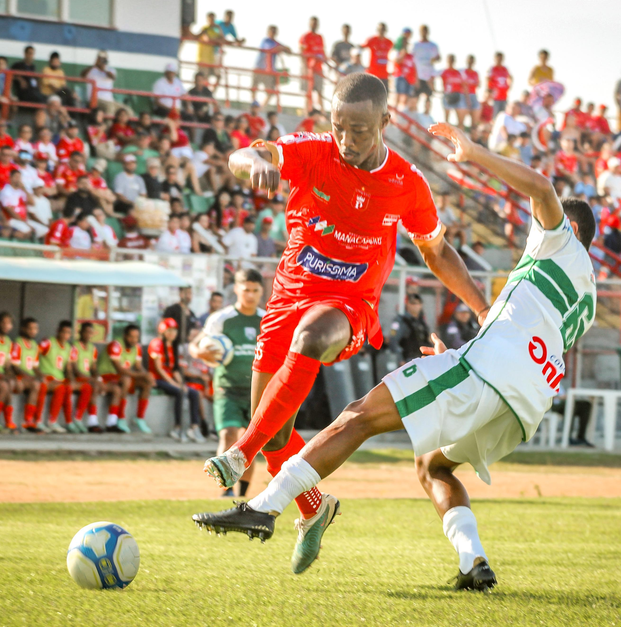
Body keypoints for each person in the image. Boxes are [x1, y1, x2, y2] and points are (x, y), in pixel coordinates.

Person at [192, 120, 598, 590]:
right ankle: (474, 563)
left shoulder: (556, 239)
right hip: (531, 398)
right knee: (433, 465)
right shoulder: (587, 290)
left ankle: (264, 507)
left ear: (567, 228)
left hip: (492, 368)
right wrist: (470, 355)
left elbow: (543, 188)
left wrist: (473, 152)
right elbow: (530, 333)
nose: (535, 223)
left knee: (359, 416)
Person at [201, 74, 490, 570]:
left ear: (385, 122)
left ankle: (238, 455)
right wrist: (250, 161)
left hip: (348, 308)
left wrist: (483, 309)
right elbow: (249, 156)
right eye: (339, 127)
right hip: (286, 302)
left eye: (358, 129)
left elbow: (437, 252)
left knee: (312, 338)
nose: (346, 140)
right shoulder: (314, 151)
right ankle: (316, 508)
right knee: (276, 431)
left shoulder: (407, 183)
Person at [190, 269, 265, 498]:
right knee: (228, 435)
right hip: (227, 388)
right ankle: (226, 490)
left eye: (255, 291)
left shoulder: (266, 319)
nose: (250, 295)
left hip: (256, 391)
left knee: (249, 443)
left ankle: (242, 495)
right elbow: (195, 346)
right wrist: (201, 353)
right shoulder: (221, 319)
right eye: (246, 290)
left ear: (261, 291)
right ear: (236, 289)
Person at [148, 317, 204, 443]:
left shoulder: (173, 346)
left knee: (193, 393)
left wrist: (181, 383)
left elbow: (175, 370)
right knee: (180, 392)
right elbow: (159, 368)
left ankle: (194, 427)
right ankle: (177, 428)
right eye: (170, 330)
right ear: (163, 331)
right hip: (158, 379)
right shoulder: (157, 344)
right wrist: (174, 384)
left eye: (175, 331)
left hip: (169, 379)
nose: (173, 333)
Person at [96, 324, 153, 433]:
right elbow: (119, 370)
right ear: (124, 336)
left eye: (136, 337)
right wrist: (142, 375)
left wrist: (147, 376)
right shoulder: (116, 345)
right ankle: (120, 417)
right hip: (107, 375)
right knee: (126, 380)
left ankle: (139, 417)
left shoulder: (137, 347)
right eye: (131, 337)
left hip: (122, 377)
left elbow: (138, 367)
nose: (134, 340)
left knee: (146, 383)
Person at [35, 320, 86, 433]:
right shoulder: (48, 342)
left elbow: (68, 367)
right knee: (61, 388)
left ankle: (69, 421)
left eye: (68, 333)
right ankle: (43, 421)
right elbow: (35, 353)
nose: (65, 335)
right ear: (58, 331)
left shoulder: (69, 347)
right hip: (47, 377)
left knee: (74, 387)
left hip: (59, 379)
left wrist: (71, 379)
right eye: (63, 332)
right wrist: (38, 373)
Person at [70, 322, 111, 433]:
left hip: (88, 379)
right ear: (80, 332)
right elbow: (74, 370)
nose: (88, 335)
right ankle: (90, 421)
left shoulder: (92, 349)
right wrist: (93, 380)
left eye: (90, 333)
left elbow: (93, 368)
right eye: (86, 332)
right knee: (93, 385)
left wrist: (98, 378)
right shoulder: (74, 347)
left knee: (99, 385)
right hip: (77, 378)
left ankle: (95, 421)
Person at [252, 25, 290, 107]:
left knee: (271, 91)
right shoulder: (265, 41)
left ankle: (260, 107)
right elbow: (272, 49)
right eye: (272, 31)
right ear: (268, 32)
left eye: (274, 31)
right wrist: (282, 48)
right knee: (254, 88)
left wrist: (283, 48)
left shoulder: (276, 43)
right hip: (259, 68)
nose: (273, 33)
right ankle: (254, 105)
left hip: (269, 71)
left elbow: (288, 51)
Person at [390, 293, 432, 364]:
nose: (416, 306)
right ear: (407, 304)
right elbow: (394, 341)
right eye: (413, 303)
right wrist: (400, 360)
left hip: (422, 359)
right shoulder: (401, 321)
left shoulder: (422, 322)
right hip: (408, 360)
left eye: (418, 303)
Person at [299, 16, 326, 112]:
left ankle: (323, 113)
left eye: (316, 23)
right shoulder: (305, 37)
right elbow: (301, 52)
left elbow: (323, 52)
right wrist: (305, 67)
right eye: (313, 23)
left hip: (318, 68)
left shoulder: (320, 37)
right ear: (310, 24)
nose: (314, 25)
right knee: (308, 92)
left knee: (319, 91)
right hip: (308, 68)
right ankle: (306, 112)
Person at [411, 25, 440, 114]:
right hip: (418, 75)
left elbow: (438, 57)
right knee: (415, 97)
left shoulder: (433, 45)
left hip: (429, 76)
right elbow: (412, 60)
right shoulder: (416, 45)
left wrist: (434, 59)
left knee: (428, 97)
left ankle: (426, 115)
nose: (424, 33)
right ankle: (414, 116)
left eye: (425, 31)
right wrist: (415, 78)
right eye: (422, 31)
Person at [440, 54, 468, 127]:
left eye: (452, 60)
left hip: (458, 95)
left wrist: (467, 99)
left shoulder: (458, 72)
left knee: (461, 120)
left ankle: (459, 137)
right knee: (447, 120)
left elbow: (464, 85)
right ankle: (445, 137)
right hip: (448, 95)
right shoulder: (444, 72)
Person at [486, 52, 512, 116]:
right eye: (498, 58)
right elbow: (487, 79)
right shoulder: (492, 68)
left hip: (504, 96)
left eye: (501, 58)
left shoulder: (505, 69)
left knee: (503, 115)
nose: (499, 60)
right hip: (495, 97)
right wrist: (489, 91)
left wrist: (509, 86)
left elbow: (510, 77)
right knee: (495, 115)